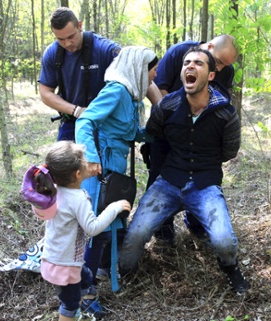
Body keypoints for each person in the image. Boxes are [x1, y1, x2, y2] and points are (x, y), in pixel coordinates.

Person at [119, 47, 248, 294]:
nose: (190, 66)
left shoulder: (225, 113)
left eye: (198, 63)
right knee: (136, 235)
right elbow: (154, 133)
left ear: (211, 75)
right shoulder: (167, 106)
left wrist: (203, 163)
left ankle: (231, 269)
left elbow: (228, 152)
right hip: (168, 182)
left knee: (224, 242)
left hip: (205, 185)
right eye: (186, 62)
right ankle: (125, 273)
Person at [75, 46, 158, 289]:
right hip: (100, 169)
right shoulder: (117, 90)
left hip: (115, 169)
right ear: (139, 69)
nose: (154, 76)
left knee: (107, 224)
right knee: (94, 229)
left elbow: (128, 132)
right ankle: (83, 292)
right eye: (152, 70)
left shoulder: (131, 97)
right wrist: (90, 158)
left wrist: (159, 134)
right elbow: (85, 120)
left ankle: (100, 274)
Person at [21, 141, 131, 321]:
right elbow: (92, 228)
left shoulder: (52, 191)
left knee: (86, 277)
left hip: (54, 258)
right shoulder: (78, 198)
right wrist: (114, 208)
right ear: (78, 173)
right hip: (66, 265)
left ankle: (84, 300)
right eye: (84, 159)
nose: (88, 161)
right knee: (69, 305)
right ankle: (73, 312)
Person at [146, 35, 238, 243]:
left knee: (204, 180)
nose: (222, 69)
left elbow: (220, 101)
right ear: (210, 46)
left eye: (226, 65)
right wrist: (172, 122)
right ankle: (163, 229)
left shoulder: (226, 71)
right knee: (161, 176)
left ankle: (197, 223)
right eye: (220, 62)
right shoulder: (180, 53)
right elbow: (159, 89)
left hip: (203, 138)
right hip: (168, 131)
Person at [38, 7, 122, 142]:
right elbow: (45, 93)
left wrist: (161, 110)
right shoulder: (53, 53)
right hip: (72, 122)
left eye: (71, 36)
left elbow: (138, 75)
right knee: (63, 161)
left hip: (105, 124)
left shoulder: (105, 49)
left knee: (100, 163)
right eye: (61, 39)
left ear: (80, 25)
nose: (67, 43)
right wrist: (77, 111)